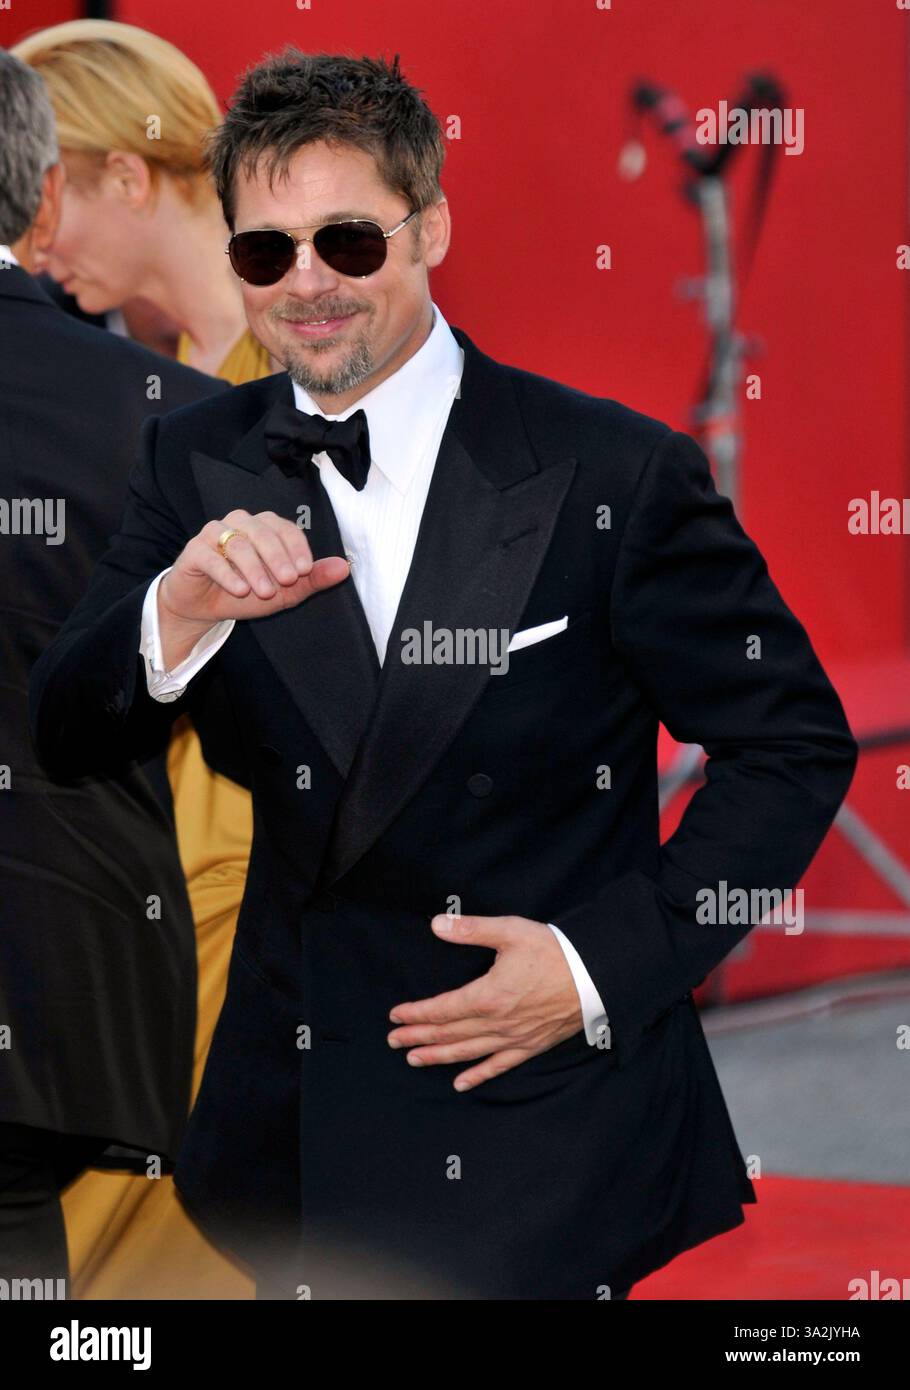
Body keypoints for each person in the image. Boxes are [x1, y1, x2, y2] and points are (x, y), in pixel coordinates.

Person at [29, 49, 858, 1300]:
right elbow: (68, 731)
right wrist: (176, 608)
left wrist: (596, 967)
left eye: (347, 241)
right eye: (266, 253)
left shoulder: (612, 474)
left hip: (535, 1121)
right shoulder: (192, 455)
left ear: (430, 227)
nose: (305, 286)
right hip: (294, 1127)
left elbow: (792, 745)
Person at [13, 19, 279, 1297]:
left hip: (254, 886)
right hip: (146, 875)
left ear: (130, 173)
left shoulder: (293, 354)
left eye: (53, 191)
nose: (36, 233)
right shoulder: (154, 378)